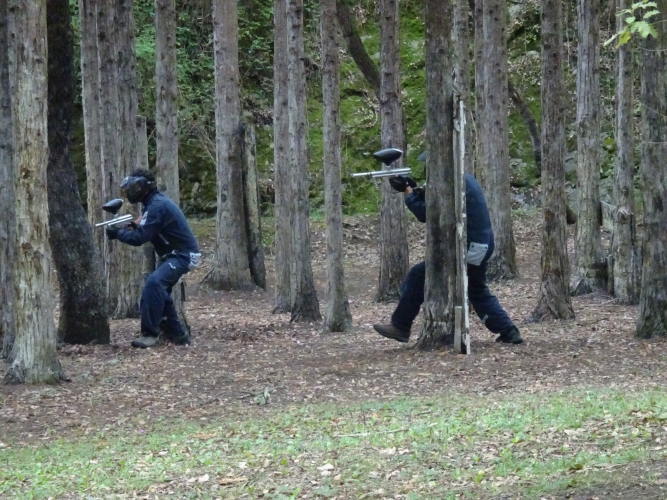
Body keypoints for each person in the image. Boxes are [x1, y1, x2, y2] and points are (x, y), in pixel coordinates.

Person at [373, 159, 523, 345]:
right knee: (476, 289)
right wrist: (413, 188)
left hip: (470, 246)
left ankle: (401, 326)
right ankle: (509, 331)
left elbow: (426, 213)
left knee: (418, 275)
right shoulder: (461, 178)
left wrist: (408, 193)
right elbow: (438, 202)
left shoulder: (450, 181)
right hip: (481, 244)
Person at [106, 169, 201, 348]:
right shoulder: (152, 203)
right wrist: (131, 226)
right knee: (160, 292)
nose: (130, 191)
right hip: (173, 254)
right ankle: (178, 335)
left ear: (143, 187)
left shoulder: (157, 205)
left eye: (133, 187)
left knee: (154, 283)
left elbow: (140, 238)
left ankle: (150, 334)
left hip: (183, 255)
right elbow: (144, 223)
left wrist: (118, 233)